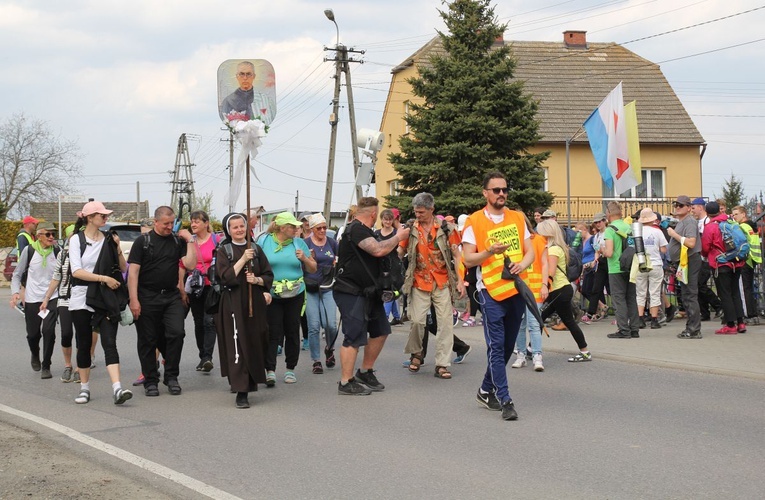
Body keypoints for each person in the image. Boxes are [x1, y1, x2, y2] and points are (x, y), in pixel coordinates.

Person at [462, 172, 535, 421]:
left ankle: (485, 389)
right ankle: (505, 399)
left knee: (506, 347)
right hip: (490, 292)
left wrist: (522, 265)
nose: (501, 194)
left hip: (515, 290)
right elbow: (468, 258)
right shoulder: (474, 221)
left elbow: (530, 252)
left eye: (504, 189)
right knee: (496, 347)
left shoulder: (516, 217)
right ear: (485, 193)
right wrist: (489, 251)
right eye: (496, 190)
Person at [333, 197, 411, 395]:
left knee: (381, 330)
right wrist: (399, 236)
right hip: (351, 292)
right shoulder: (356, 229)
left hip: (370, 292)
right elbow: (377, 250)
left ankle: (365, 371)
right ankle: (346, 381)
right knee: (353, 336)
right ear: (374, 214)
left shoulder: (367, 231)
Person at [67, 201, 132, 404]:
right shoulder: (76, 240)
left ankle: (117, 389)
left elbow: (122, 268)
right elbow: (76, 271)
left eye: (105, 216)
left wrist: (118, 248)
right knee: (84, 344)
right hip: (81, 297)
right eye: (102, 216)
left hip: (105, 298)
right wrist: (104, 278)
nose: (105, 219)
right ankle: (84, 388)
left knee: (109, 342)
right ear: (90, 217)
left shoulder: (108, 239)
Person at [128, 206, 197, 397]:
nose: (169, 227)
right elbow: (133, 273)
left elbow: (190, 264)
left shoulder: (177, 240)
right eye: (166, 223)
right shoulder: (143, 241)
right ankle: (150, 380)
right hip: (147, 296)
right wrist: (133, 299)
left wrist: (190, 240)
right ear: (156, 222)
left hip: (171, 296)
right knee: (148, 339)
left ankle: (171, 376)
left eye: (172, 222)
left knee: (177, 333)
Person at [399, 193, 464, 380]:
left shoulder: (447, 229)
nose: (417, 215)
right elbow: (400, 250)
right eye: (415, 211)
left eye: (421, 212)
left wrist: (460, 280)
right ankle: (417, 353)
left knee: (445, 323)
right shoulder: (410, 229)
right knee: (417, 320)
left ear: (431, 209)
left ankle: (442, 364)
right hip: (419, 280)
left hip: (442, 281)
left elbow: (457, 256)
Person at [215, 213, 274, 408]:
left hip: (254, 303)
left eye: (242, 226)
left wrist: (257, 281)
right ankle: (241, 391)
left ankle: (251, 381)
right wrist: (242, 261)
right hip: (233, 302)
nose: (239, 230)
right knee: (237, 344)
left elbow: (267, 274)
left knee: (255, 340)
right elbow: (224, 278)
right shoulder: (225, 250)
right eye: (235, 227)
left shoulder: (256, 248)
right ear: (229, 230)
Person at [257, 212, 317, 385]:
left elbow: (313, 268)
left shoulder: (299, 243)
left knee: (292, 330)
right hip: (272, 294)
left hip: (295, 293)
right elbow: (256, 265)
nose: (296, 229)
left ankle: (290, 369)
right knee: (272, 332)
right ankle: (270, 370)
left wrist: (305, 258)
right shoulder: (264, 241)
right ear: (282, 227)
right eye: (292, 226)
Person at [536, 219, 592, 360]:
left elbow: (551, 272)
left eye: (540, 232)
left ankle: (585, 351)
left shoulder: (553, 249)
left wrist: (542, 283)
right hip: (560, 289)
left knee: (567, 321)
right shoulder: (558, 247)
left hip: (559, 289)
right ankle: (532, 348)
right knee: (540, 317)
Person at [10, 222, 60, 379]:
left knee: (48, 331)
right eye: (48, 234)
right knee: (33, 334)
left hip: (52, 297)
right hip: (32, 298)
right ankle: (35, 353)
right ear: (39, 236)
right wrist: (15, 292)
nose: (52, 237)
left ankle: (46, 365)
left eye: (54, 234)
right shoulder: (29, 250)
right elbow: (17, 274)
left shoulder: (57, 251)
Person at [181, 210, 218, 372]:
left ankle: (207, 357)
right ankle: (202, 355)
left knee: (209, 321)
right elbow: (182, 265)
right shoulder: (189, 242)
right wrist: (181, 289)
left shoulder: (216, 240)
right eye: (192, 221)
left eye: (197, 221)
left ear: (206, 223)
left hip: (212, 285)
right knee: (198, 322)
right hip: (195, 286)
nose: (193, 224)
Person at [40, 225, 79, 383]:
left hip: (82, 299)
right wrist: (46, 298)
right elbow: (56, 277)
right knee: (66, 333)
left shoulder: (85, 254)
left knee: (83, 335)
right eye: (71, 237)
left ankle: (80, 367)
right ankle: (68, 365)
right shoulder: (63, 254)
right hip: (64, 299)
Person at [702, 202, 746, 334]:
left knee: (725, 294)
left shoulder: (711, 226)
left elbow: (705, 247)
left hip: (721, 264)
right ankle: (741, 322)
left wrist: (706, 255)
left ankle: (730, 325)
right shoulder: (730, 222)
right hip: (736, 262)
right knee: (735, 292)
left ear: (707, 212)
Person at [303, 213, 339, 374]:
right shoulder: (305, 243)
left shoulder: (332, 243)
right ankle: (316, 360)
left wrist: (336, 264)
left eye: (325, 227)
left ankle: (329, 348)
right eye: (319, 228)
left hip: (328, 287)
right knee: (314, 326)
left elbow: (340, 261)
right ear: (312, 229)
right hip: (310, 288)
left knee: (331, 324)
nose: (323, 230)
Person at [511, 216, 548, 371]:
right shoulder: (514, 243)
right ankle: (521, 355)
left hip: (535, 288)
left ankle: (537, 356)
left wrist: (545, 284)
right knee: (519, 324)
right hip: (519, 288)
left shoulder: (538, 240)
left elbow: (545, 263)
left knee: (534, 323)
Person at [602, 202, 640, 339]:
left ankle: (624, 330)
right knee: (631, 298)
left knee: (619, 299)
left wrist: (602, 250)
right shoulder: (628, 227)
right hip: (630, 267)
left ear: (608, 214)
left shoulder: (610, 230)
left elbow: (610, 253)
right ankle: (635, 328)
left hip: (616, 268)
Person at [667, 196, 703, 339]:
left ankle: (694, 329)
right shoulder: (682, 222)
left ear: (689, 207)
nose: (677, 207)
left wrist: (673, 234)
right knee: (686, 294)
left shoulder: (690, 222)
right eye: (676, 205)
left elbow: (691, 243)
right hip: (683, 261)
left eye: (681, 205)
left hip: (689, 260)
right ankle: (691, 327)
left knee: (690, 294)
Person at [635, 208, 668, 329]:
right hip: (655, 264)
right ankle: (654, 320)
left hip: (641, 263)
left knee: (640, 293)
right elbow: (664, 249)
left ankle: (640, 319)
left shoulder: (637, 231)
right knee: (654, 292)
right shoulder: (657, 231)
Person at [690, 198, 723, 320]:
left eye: (693, 208)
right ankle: (704, 312)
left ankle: (718, 305)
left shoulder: (707, 221)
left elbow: (708, 240)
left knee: (699, 284)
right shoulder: (696, 222)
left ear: (700, 207)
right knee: (697, 284)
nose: (692, 211)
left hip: (706, 257)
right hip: (698, 257)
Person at [731, 205, 761, 324]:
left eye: (736, 214)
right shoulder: (751, 226)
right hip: (753, 259)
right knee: (748, 288)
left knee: (744, 289)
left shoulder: (741, 227)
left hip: (745, 259)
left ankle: (748, 315)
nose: (734, 217)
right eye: (733, 215)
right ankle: (752, 313)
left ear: (744, 214)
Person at [220, 61, 276, 125]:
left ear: (254, 76)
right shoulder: (228, 101)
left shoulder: (266, 100)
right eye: (242, 74)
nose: (245, 78)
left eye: (248, 74)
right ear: (237, 76)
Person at [375, 209, 404, 325]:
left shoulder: (397, 233)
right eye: (385, 219)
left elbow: (401, 250)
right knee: (382, 292)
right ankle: (395, 316)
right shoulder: (376, 233)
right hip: (380, 267)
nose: (387, 221)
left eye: (390, 219)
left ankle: (385, 317)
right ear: (381, 220)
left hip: (394, 267)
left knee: (392, 291)